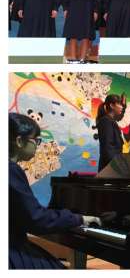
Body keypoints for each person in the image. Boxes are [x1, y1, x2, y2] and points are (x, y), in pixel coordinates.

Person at [9, 113, 101, 269]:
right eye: (36, 140)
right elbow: (36, 219)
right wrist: (79, 218)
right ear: (19, 141)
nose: (38, 145)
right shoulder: (11, 170)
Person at [94, 94, 127, 171]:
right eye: (119, 104)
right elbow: (108, 148)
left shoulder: (111, 120)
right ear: (112, 105)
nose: (122, 107)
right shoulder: (106, 121)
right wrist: (116, 165)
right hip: (109, 166)